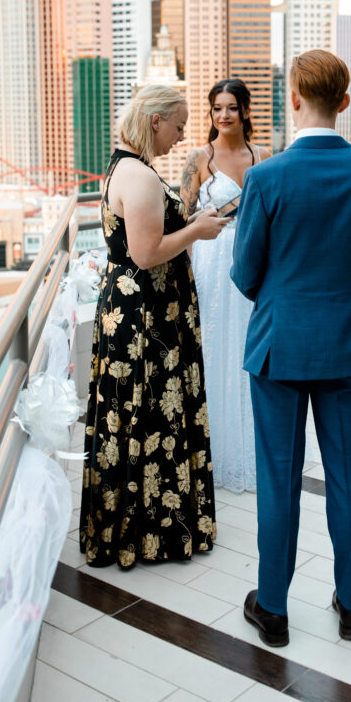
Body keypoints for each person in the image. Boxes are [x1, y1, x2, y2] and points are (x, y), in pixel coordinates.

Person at [230, 49, 351, 647]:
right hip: (347, 341)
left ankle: (272, 607)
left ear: (293, 99)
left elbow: (245, 272)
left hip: (279, 344)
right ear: (345, 103)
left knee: (279, 478)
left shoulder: (266, 176)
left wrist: (282, 293)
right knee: (349, 477)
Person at [80, 85, 228, 569]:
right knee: (150, 415)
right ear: (156, 120)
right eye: (180, 125)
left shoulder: (126, 166)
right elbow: (146, 254)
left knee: (140, 416)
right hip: (146, 319)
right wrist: (196, 230)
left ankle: (142, 527)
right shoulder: (139, 175)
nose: (183, 135)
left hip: (144, 312)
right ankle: (152, 532)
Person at [179, 79, 271, 492]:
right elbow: (181, 220)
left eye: (232, 107)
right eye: (217, 108)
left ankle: (252, 447)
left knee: (247, 347)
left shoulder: (264, 157)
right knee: (212, 347)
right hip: (211, 262)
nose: (224, 115)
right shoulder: (198, 158)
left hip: (252, 257)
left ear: (246, 111)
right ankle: (210, 451)